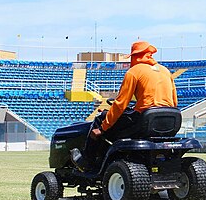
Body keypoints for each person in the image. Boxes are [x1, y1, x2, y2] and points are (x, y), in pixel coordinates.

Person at [72, 41, 177, 170]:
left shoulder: (134, 72)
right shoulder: (165, 71)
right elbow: (174, 102)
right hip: (169, 119)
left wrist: (103, 127)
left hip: (144, 120)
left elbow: (120, 104)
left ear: (135, 56)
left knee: (101, 118)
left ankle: (88, 162)